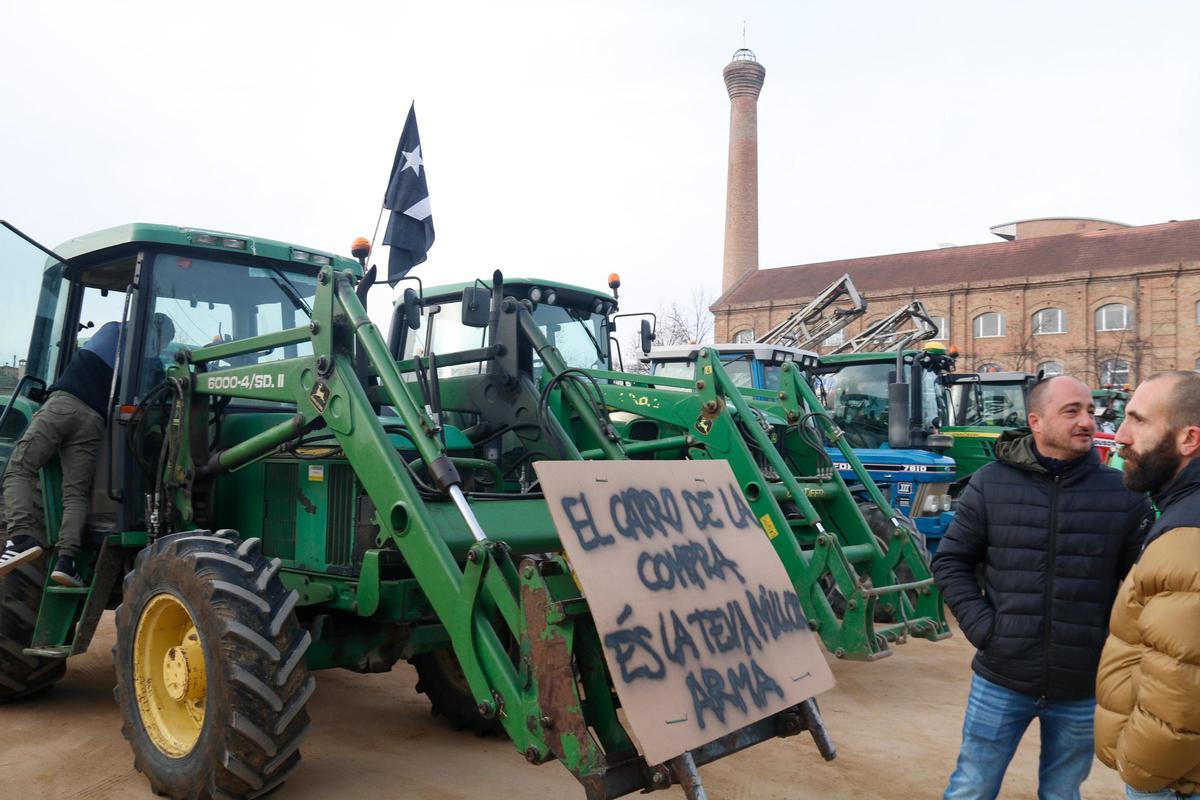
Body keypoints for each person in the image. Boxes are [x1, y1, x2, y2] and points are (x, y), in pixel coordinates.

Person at [932, 375, 1153, 800]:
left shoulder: (1122, 493)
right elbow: (951, 560)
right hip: (1001, 677)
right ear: (1036, 421)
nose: (1087, 421)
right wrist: (985, 629)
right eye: (1071, 411)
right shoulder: (990, 483)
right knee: (971, 788)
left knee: (1062, 793)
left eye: (1090, 411)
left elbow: (1144, 585)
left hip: (1083, 687)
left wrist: (1113, 648)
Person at [0, 312, 174, 587]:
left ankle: (21, 538)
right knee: (76, 493)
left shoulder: (111, 331)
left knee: (20, 468)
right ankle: (66, 561)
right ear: (160, 339)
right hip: (93, 420)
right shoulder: (148, 363)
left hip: (63, 405)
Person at [1095, 371, 1200, 798]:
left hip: (1174, 783)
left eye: (1138, 421)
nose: (1119, 436)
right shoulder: (1179, 514)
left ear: (1188, 439)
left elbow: (1183, 685)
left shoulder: (1188, 534)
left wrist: (1140, 770)